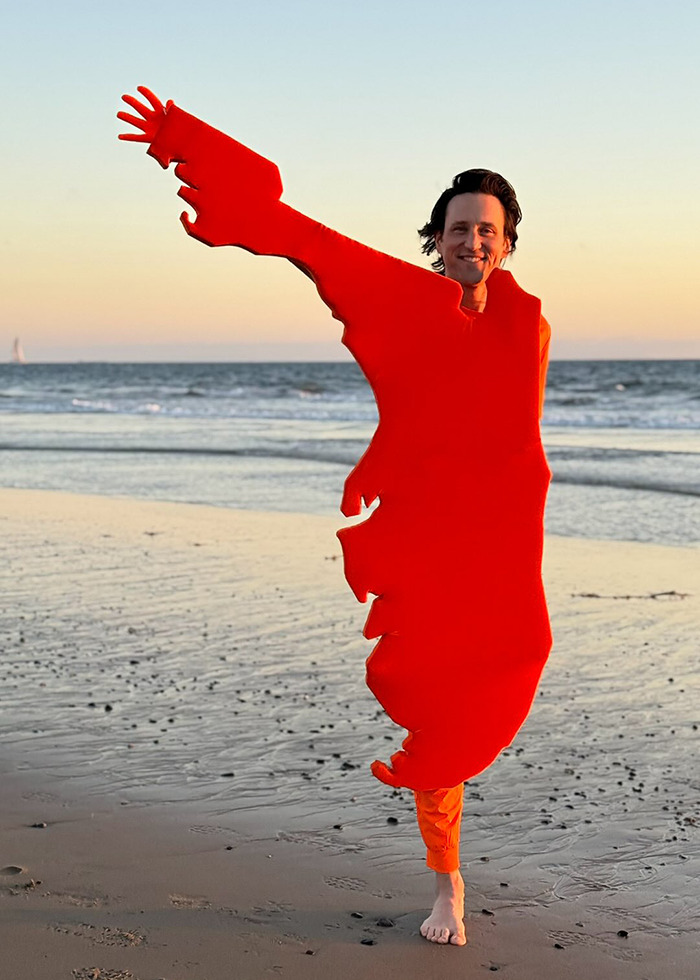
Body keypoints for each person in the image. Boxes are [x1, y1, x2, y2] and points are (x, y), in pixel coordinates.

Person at [118, 87, 552, 948]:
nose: (473, 241)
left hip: (499, 543)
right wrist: (194, 147)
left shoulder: (528, 325)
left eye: (488, 230)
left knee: (512, 666)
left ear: (505, 246)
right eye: (459, 228)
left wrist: (401, 460)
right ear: (436, 240)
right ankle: (447, 883)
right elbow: (311, 243)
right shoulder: (406, 298)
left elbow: (497, 432)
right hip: (431, 535)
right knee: (436, 707)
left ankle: (447, 846)